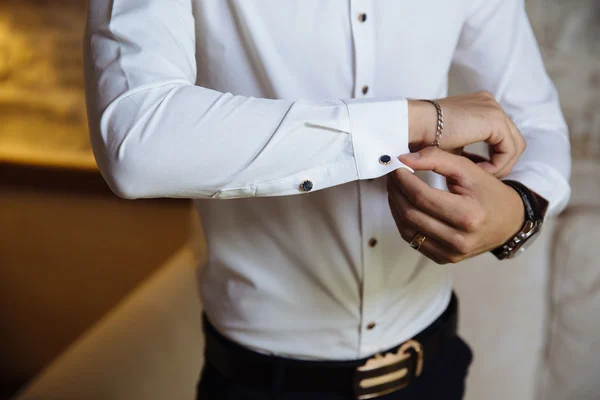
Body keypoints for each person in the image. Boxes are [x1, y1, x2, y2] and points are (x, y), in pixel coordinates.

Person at [83, 1, 571, 399]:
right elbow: (136, 140)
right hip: (259, 384)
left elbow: (537, 123)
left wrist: (518, 213)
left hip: (434, 370)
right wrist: (411, 122)